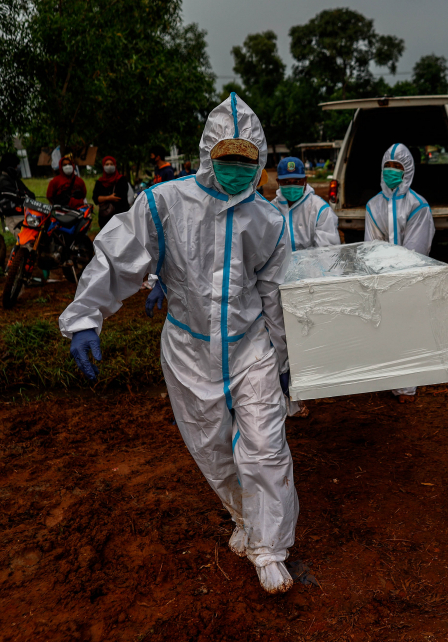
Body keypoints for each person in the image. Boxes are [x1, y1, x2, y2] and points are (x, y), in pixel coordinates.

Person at [61, 93, 298, 595]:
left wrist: (286, 357)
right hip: (190, 349)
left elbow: (275, 293)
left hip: (250, 343)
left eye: (245, 159)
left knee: (265, 446)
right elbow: (118, 258)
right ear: (208, 153)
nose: (236, 168)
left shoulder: (270, 220)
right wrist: (85, 317)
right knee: (211, 448)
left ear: (259, 161)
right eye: (227, 157)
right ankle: (245, 518)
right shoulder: (164, 202)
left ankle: (271, 547)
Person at [365, 143, 435, 403]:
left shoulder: (418, 205)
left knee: (408, 327)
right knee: (383, 328)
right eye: (388, 166)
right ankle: (386, 377)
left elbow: (416, 249)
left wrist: (397, 274)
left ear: (408, 171)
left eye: (398, 167)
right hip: (381, 277)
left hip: (408, 277)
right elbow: (371, 245)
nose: (392, 171)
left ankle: (407, 386)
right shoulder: (373, 206)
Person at [271, 156, 340, 251]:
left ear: (305, 180)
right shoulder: (271, 209)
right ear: (278, 182)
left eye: (297, 181)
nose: (292, 186)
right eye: (286, 182)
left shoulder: (320, 209)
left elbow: (328, 250)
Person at [0, 152, 36, 233]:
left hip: (25, 215)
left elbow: (31, 195)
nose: (18, 167)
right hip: (14, 217)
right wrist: (24, 196)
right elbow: (16, 197)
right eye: (16, 165)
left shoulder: (15, 180)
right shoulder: (3, 180)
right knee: (26, 242)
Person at [92, 156, 133, 229]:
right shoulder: (100, 182)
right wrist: (109, 197)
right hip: (105, 219)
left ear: (115, 165)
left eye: (111, 164)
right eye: (107, 164)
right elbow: (95, 199)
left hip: (120, 217)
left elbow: (119, 197)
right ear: (103, 166)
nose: (109, 166)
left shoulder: (121, 180)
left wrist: (102, 199)